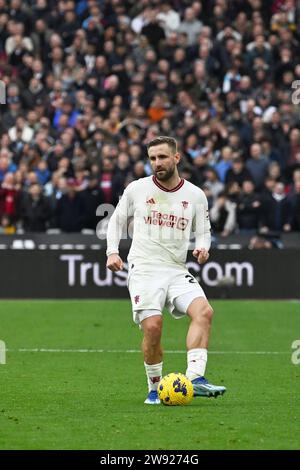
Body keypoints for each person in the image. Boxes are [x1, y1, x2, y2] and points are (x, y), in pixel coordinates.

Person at [106, 136, 226, 404]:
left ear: (176, 158)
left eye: (161, 157)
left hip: (175, 268)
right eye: (152, 158)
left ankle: (195, 378)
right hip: (145, 268)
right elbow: (116, 222)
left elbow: (203, 230)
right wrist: (112, 251)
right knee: (153, 327)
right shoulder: (137, 188)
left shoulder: (195, 195)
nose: (156, 163)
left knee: (204, 312)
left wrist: (204, 247)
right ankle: (154, 387)